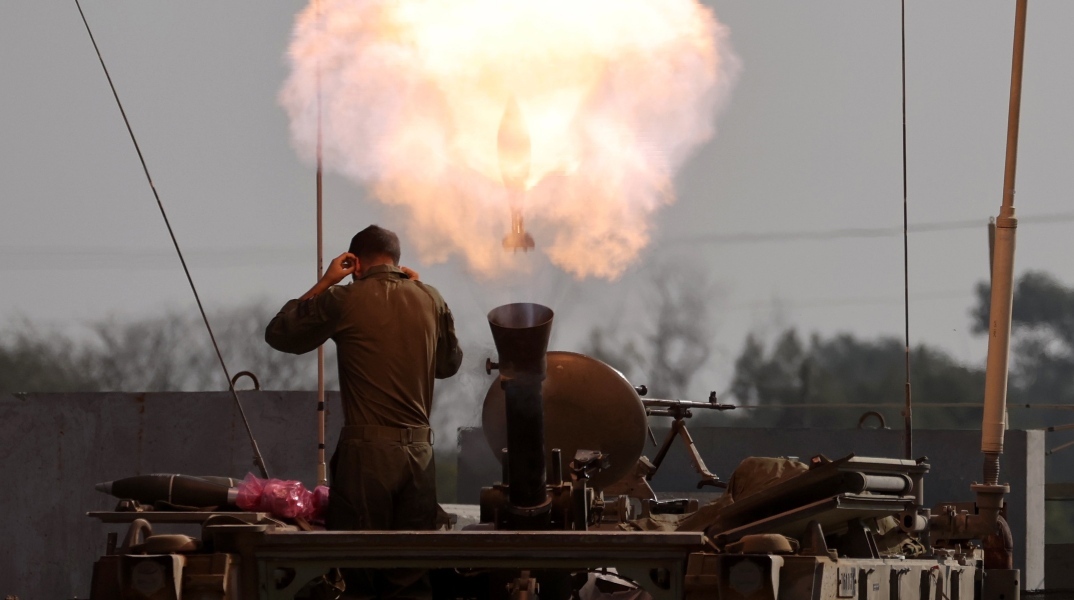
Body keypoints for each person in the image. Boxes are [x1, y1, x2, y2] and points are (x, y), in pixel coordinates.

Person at [265, 224, 463, 598]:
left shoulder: (344, 299)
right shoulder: (430, 297)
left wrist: (325, 282)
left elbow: (280, 333)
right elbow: (448, 365)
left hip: (368, 457)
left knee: (359, 571)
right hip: (420, 457)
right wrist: (420, 292)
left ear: (355, 263)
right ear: (398, 261)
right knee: (411, 574)